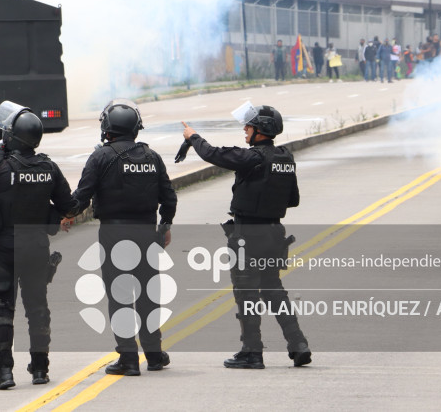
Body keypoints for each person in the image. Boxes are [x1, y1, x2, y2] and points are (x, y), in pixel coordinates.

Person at [0, 100, 80, 390]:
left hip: (4, 248)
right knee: (37, 307)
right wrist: (52, 215)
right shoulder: (49, 166)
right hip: (36, 247)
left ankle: (4, 372)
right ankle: (40, 370)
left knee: (2, 307)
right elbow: (70, 207)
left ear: (12, 136)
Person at [180, 102, 311, 370]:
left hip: (247, 235)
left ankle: (252, 352)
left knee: (246, 294)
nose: (245, 129)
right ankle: (298, 344)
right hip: (274, 233)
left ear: (260, 130)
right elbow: (293, 200)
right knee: (274, 290)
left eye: (249, 126)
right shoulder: (285, 158)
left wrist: (193, 137)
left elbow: (213, 154)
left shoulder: (253, 157)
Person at [67, 98, 177, 376]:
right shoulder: (152, 157)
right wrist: (164, 227)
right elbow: (169, 198)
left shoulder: (101, 157)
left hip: (114, 234)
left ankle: (128, 358)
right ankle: (154, 354)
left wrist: (67, 214)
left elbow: (82, 195)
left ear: (108, 127)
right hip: (146, 232)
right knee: (148, 295)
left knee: (120, 296)